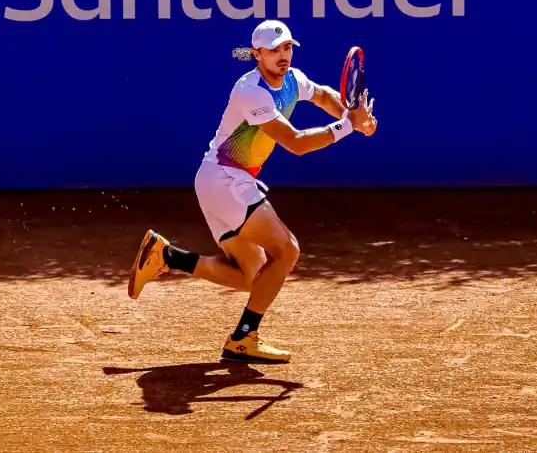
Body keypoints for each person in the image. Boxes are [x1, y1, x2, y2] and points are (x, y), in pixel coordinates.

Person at [127, 19, 376, 363]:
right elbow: (296, 143)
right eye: (273, 50)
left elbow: (321, 95)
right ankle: (244, 338)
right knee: (286, 251)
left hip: (220, 181)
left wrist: (349, 112)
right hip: (226, 180)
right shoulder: (250, 91)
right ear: (257, 54)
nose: (282, 56)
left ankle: (166, 256)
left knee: (252, 277)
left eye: (287, 47)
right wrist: (349, 126)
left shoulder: (293, 79)